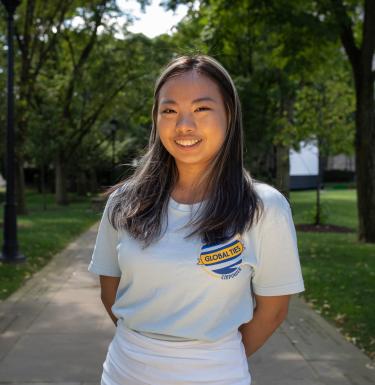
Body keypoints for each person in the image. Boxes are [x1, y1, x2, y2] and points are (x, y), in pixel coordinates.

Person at [88, 54, 305, 385]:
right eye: (170, 111)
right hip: (123, 373)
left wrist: (205, 362)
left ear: (229, 115)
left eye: (202, 109)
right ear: (156, 118)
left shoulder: (263, 208)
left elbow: (273, 311)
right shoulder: (124, 203)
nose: (184, 125)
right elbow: (110, 293)